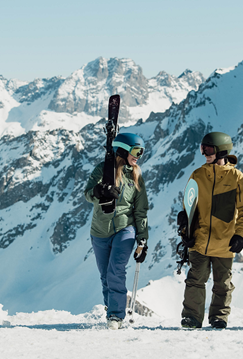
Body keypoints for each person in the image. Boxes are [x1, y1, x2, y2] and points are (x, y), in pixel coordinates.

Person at [177, 132, 243, 329]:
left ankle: (219, 316)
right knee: (195, 279)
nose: (205, 154)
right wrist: (185, 231)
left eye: (209, 149)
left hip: (225, 241)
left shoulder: (236, 177)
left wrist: (239, 234)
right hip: (199, 240)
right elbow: (189, 207)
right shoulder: (198, 174)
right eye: (203, 149)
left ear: (222, 150)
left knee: (223, 284)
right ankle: (191, 317)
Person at [84, 132, 149, 330]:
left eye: (141, 152)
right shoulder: (102, 170)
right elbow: (88, 194)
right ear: (122, 150)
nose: (138, 156)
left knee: (115, 270)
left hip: (124, 229)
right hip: (99, 231)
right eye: (136, 151)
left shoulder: (136, 176)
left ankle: (115, 315)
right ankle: (110, 306)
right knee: (105, 275)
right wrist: (99, 191)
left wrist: (142, 239)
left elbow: (141, 210)